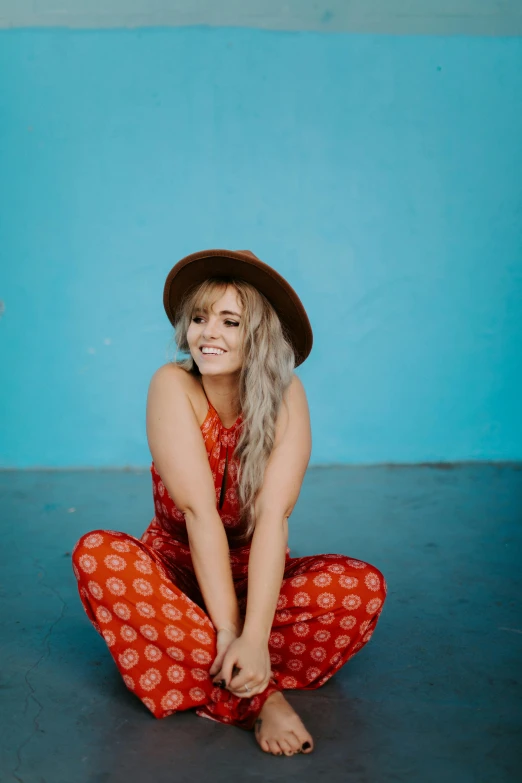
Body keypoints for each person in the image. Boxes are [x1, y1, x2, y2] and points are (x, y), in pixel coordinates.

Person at [72, 248, 387, 757]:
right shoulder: (171, 385)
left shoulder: (287, 396)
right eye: (199, 318)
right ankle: (258, 695)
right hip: (174, 578)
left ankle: (209, 661)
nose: (207, 334)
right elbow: (198, 514)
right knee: (97, 556)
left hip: (257, 582)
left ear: (259, 334)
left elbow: (272, 522)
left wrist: (256, 634)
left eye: (230, 321)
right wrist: (226, 628)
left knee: (361, 587)